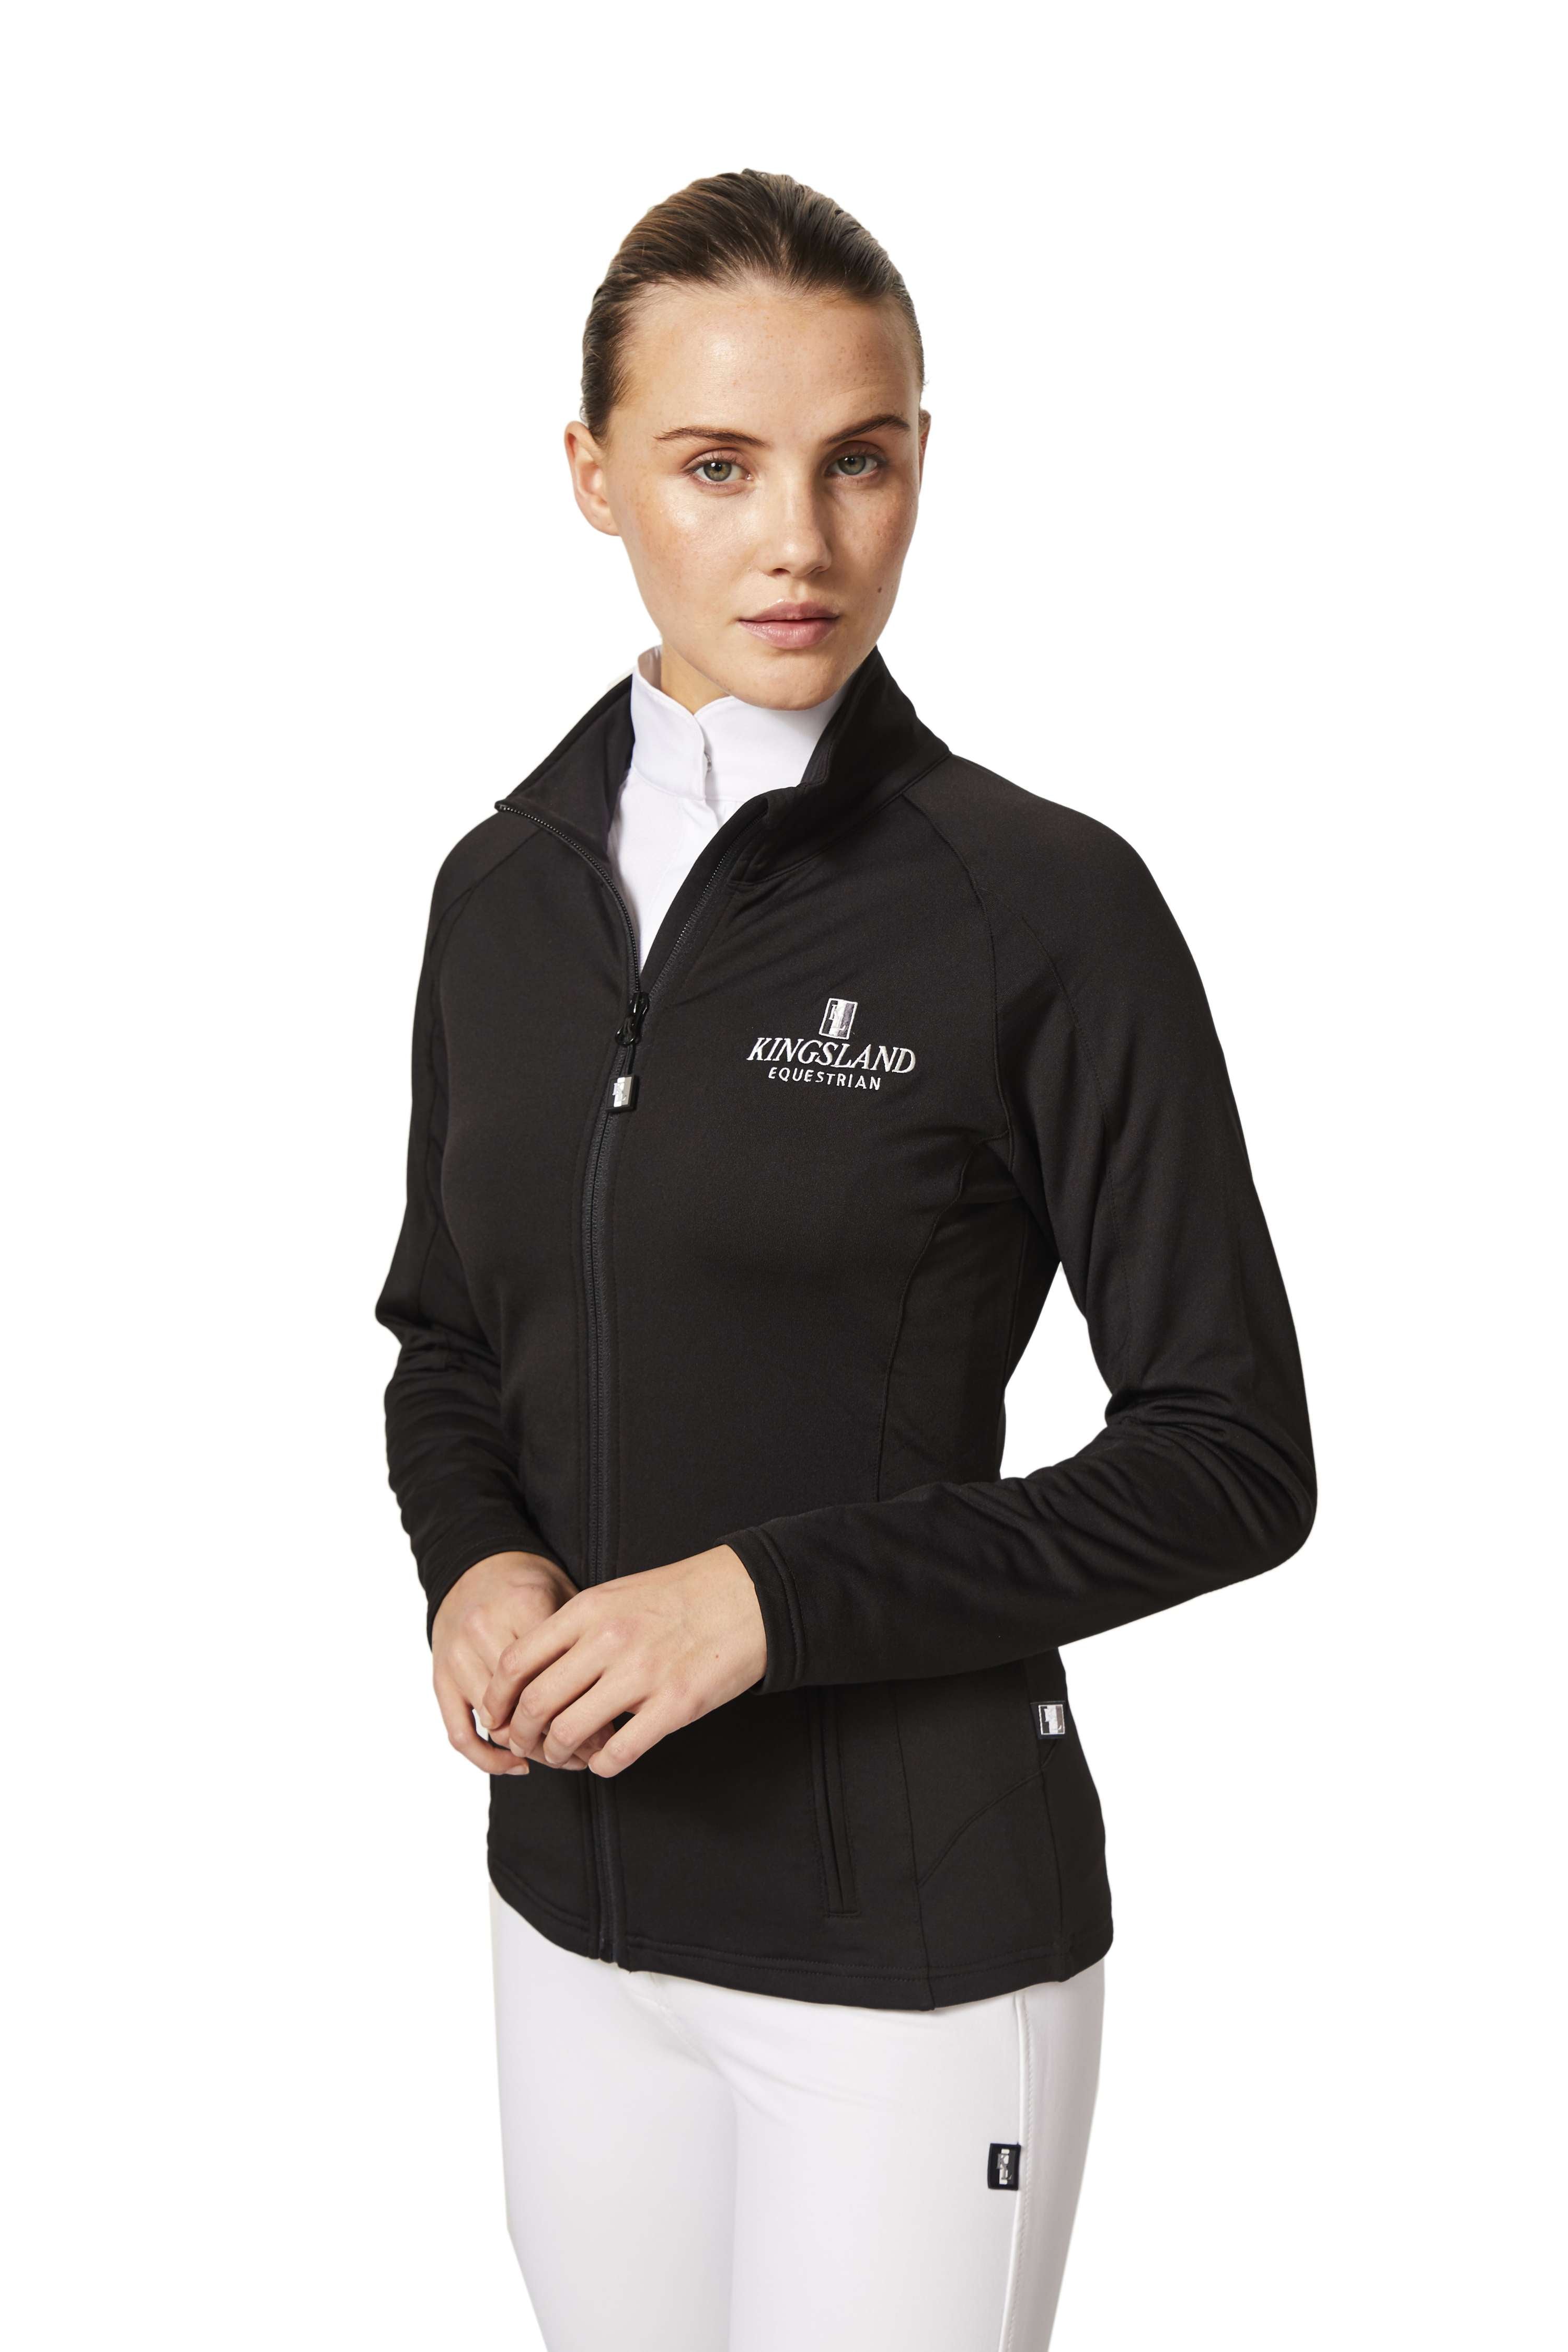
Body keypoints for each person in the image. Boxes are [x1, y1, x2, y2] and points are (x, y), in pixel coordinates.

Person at [375, 168, 1316, 2352]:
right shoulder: (498, 895)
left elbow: (1232, 1454)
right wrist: (474, 1563)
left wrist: (760, 1603)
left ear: (918, 463)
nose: (798, 539)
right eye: (717, 465)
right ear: (594, 474)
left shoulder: (1039, 906)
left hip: (912, 1953)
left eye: (859, 459)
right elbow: (447, 1335)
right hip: (572, 1923)